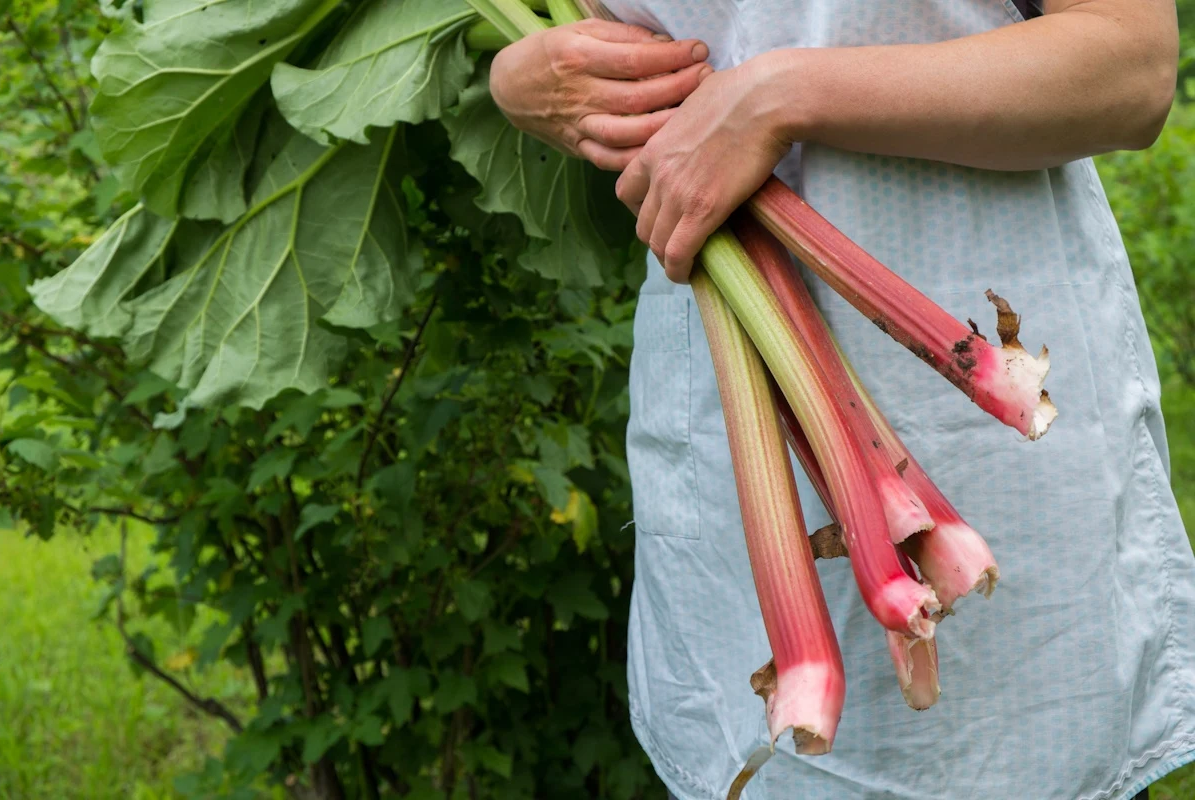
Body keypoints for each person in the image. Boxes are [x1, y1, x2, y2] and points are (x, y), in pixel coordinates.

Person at [489, 1, 1191, 797]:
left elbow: (1129, 67)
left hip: (990, 434)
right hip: (731, 446)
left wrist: (779, 96)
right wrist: (523, 76)